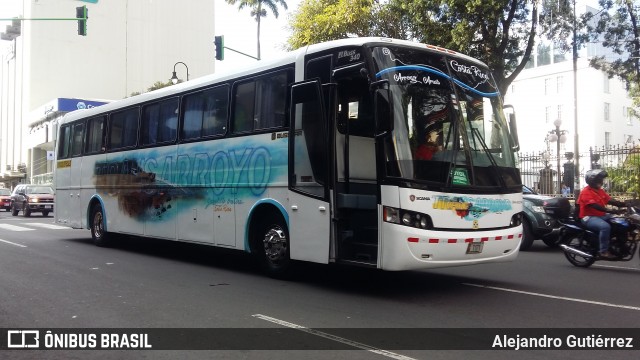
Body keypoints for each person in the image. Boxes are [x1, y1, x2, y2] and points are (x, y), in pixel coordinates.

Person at [576, 169, 626, 259]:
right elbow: (594, 205)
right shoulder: (586, 192)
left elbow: (609, 200)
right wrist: (610, 211)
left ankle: (616, 242)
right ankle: (603, 251)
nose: (601, 181)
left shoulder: (600, 191)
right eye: (599, 179)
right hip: (588, 217)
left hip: (601, 216)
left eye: (601, 179)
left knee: (621, 222)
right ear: (592, 180)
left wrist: (622, 204)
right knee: (605, 227)